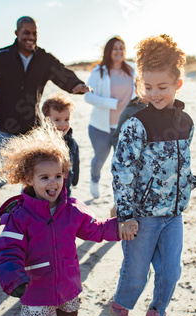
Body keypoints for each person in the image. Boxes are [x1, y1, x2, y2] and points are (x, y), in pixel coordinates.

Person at [0, 121, 137, 316]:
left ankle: (60, 312)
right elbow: (7, 250)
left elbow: (95, 229)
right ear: (29, 179)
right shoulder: (20, 216)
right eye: (44, 178)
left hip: (67, 281)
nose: (53, 182)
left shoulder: (72, 209)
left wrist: (119, 227)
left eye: (58, 176)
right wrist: (13, 278)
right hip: (36, 286)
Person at [109, 34, 196, 316]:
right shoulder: (137, 124)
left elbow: (182, 161)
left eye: (162, 87)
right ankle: (120, 309)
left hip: (173, 213)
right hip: (142, 216)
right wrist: (124, 215)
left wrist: (188, 183)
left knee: (171, 271)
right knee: (136, 274)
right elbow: (122, 170)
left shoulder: (186, 122)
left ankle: (156, 314)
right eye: (148, 88)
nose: (155, 94)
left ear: (178, 84)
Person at [0, 16, 89, 206]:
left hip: (33, 128)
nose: (31, 37)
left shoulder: (43, 59)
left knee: (33, 176)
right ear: (17, 33)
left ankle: (28, 213)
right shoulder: (0, 56)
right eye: (26, 32)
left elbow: (61, 72)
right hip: (6, 126)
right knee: (9, 173)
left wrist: (76, 84)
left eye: (34, 33)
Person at [84, 36, 137, 199]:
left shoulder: (133, 69)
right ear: (109, 51)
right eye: (115, 48)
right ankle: (94, 179)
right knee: (100, 159)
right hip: (100, 127)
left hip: (123, 127)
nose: (119, 51)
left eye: (122, 48)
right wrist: (112, 103)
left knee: (120, 163)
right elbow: (88, 96)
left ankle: (119, 194)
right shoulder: (99, 71)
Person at [41, 92, 80, 196]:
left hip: (65, 193)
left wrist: (75, 180)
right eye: (57, 120)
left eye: (66, 119)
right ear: (47, 121)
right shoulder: (40, 142)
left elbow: (76, 163)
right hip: (42, 195)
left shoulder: (72, 143)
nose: (63, 124)